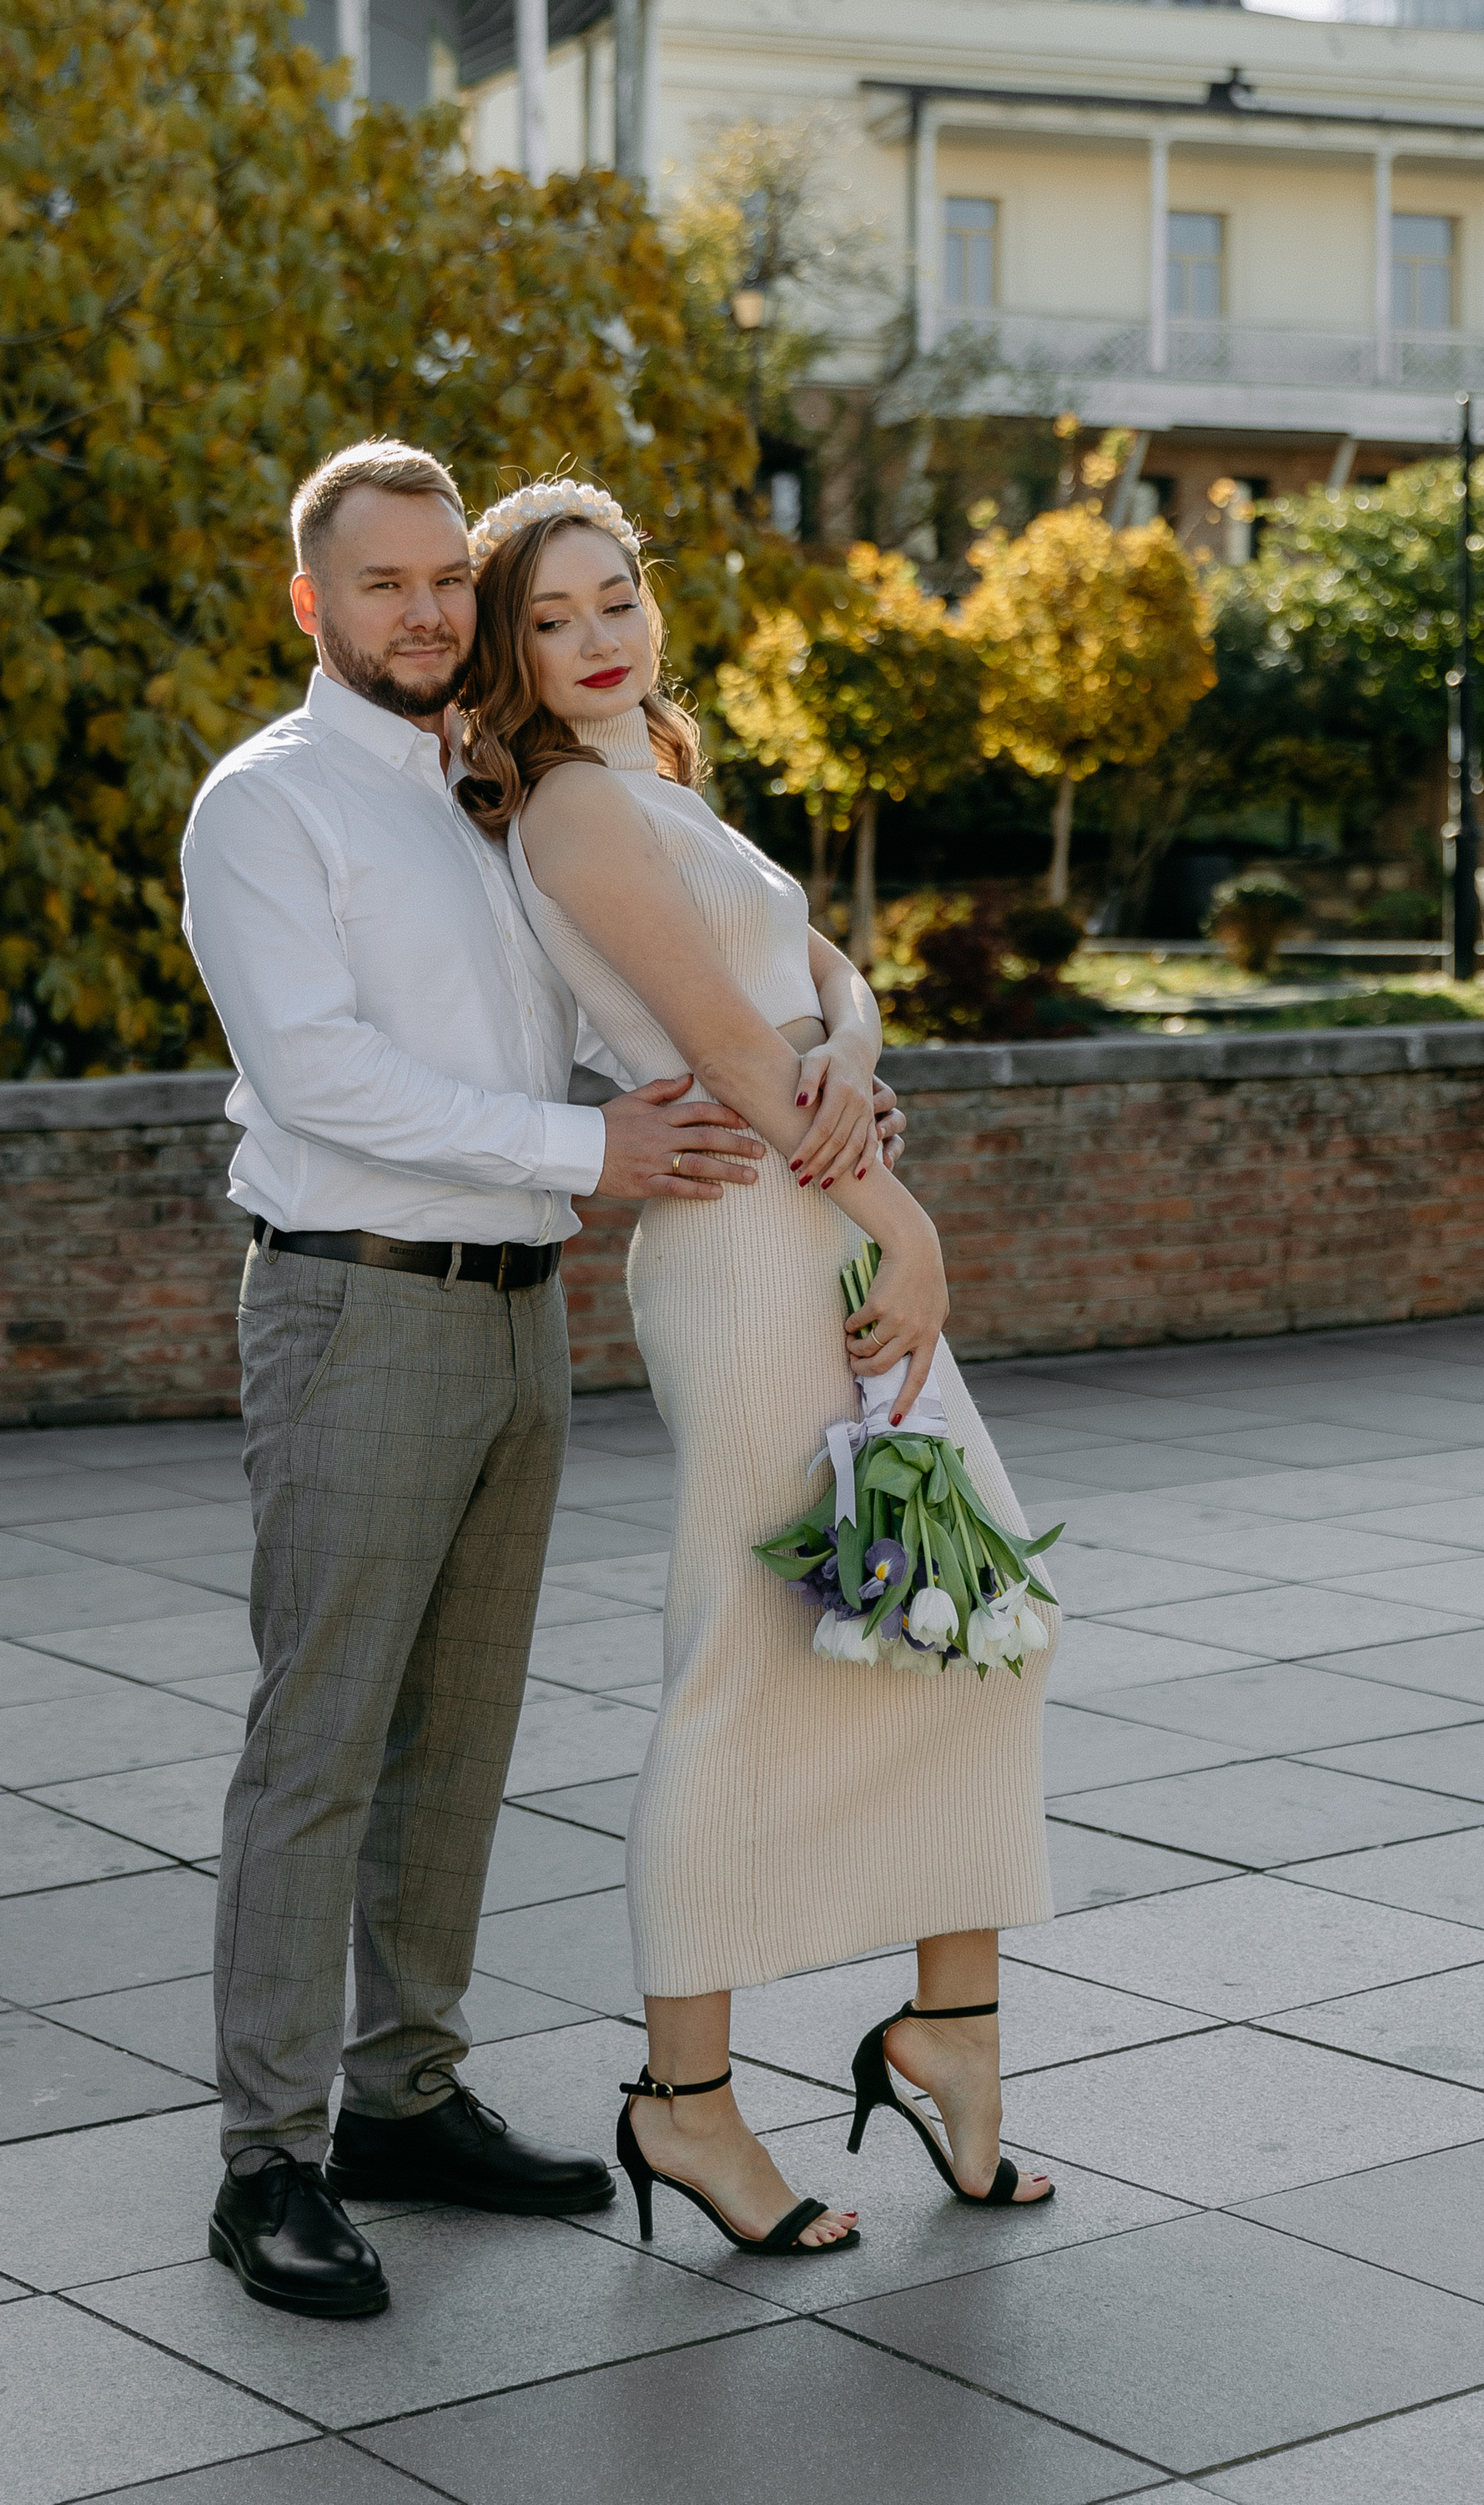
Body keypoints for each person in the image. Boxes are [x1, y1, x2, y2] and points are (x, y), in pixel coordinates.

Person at [177, 440, 898, 2321]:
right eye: (381, 583)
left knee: (465, 1728)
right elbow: (320, 1075)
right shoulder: (267, 808)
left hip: (511, 1309)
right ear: (308, 602)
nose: (421, 611)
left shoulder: (496, 792)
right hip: (352, 1305)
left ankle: (405, 2099)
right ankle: (268, 2163)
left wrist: (821, 1064)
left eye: (442, 581)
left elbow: (650, 994)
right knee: (320, 1737)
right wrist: (595, 1157)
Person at [456, 478, 1060, 2261]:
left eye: (612, 597)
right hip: (749, 1256)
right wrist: (908, 1215)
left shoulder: (658, 780)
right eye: (549, 620)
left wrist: (851, 1080)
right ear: (507, 653)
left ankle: (948, 2032)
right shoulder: (573, 814)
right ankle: (684, 2101)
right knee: (743, 1656)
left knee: (971, 1625)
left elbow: (815, 994)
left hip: (822, 1213)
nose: (593, 638)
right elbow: (731, 1044)